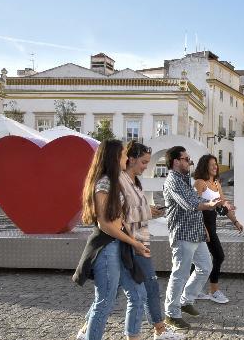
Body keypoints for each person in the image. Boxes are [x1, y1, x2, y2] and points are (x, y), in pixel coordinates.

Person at [73, 139, 149, 340]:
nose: (127, 157)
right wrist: (134, 242)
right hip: (107, 249)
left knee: (136, 294)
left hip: (118, 247)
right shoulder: (105, 182)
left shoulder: (114, 181)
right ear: (115, 157)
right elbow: (106, 225)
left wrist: (133, 239)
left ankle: (132, 336)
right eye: (124, 154)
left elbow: (118, 221)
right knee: (104, 302)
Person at [163, 146, 220, 330]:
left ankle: (186, 300)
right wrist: (211, 204)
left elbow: (197, 202)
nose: (189, 162)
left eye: (189, 159)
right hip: (183, 234)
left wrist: (215, 205)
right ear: (176, 161)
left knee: (205, 267)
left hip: (196, 233)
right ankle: (171, 313)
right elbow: (190, 203)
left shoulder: (186, 179)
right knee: (180, 273)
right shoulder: (173, 180)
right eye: (186, 159)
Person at [193, 154, 243, 304]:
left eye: (216, 164)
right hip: (201, 225)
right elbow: (194, 208)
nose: (215, 166)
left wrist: (235, 222)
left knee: (197, 260)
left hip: (211, 225)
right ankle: (213, 290)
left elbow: (223, 205)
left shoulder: (216, 183)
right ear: (204, 166)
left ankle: (194, 291)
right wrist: (203, 229)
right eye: (212, 164)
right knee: (218, 256)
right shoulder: (199, 183)